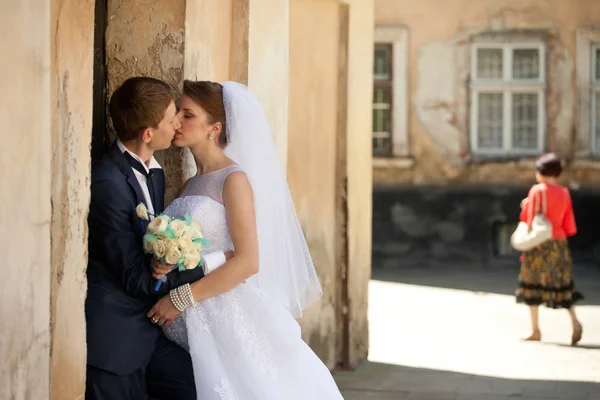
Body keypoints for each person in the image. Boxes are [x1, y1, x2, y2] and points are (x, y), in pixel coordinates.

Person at [147, 81, 345, 399]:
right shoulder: (188, 184)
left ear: (215, 128)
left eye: (188, 115)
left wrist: (180, 299)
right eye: (176, 114)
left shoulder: (233, 179)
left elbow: (248, 261)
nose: (176, 123)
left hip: (225, 314)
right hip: (189, 321)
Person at [86, 77, 229, 399]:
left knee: (206, 388)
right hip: (115, 341)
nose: (177, 123)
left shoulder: (155, 172)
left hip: (152, 333)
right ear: (148, 134)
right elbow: (137, 278)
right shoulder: (108, 184)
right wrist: (212, 263)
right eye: (171, 118)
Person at [516, 152, 584, 345]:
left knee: (531, 283)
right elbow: (568, 222)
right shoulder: (564, 192)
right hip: (559, 243)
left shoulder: (537, 191)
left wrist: (524, 207)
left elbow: (529, 218)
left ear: (541, 172)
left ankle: (535, 329)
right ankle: (575, 321)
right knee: (562, 283)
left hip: (540, 243)